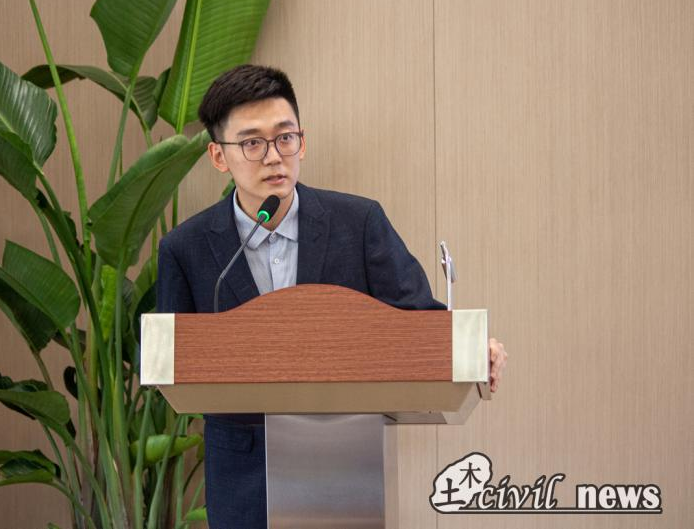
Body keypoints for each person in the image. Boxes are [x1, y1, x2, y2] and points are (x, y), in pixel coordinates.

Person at [156, 64, 508, 529]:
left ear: (302, 142)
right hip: (243, 478)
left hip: (349, 465)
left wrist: (472, 348)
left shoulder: (358, 223)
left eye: (285, 138)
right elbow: (171, 355)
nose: (274, 157)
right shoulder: (186, 248)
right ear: (219, 156)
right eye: (252, 143)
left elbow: (419, 319)